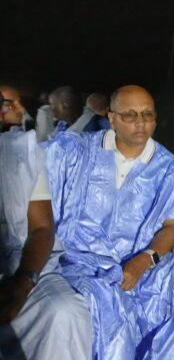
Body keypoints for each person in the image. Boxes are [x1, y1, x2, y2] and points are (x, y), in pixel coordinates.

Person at [39, 85, 174, 359]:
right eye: (130, 115)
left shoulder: (172, 169)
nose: (140, 123)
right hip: (82, 261)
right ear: (112, 118)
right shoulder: (75, 152)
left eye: (147, 114)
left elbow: (173, 228)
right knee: (106, 307)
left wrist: (144, 260)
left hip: (145, 260)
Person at [0, 129, 92, 360]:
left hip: (21, 265)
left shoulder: (20, 152)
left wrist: (23, 283)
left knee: (65, 312)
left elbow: (41, 229)